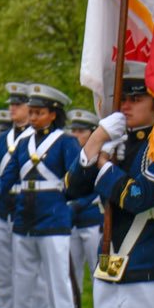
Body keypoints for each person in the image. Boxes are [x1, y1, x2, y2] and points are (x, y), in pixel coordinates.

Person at [67, 61, 154, 308]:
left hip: (151, 274)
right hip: (107, 274)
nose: (125, 105)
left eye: (135, 98)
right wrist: (96, 139)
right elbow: (72, 188)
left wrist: (102, 164)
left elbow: (138, 198)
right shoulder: (114, 144)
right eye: (122, 97)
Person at [1, 83, 81, 308]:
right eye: (32, 112)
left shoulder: (65, 142)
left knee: (58, 285)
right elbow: (7, 180)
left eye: (39, 113)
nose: (34, 117)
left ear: (53, 115)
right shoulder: (24, 144)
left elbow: (76, 180)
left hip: (53, 219)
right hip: (24, 219)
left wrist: (70, 209)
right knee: (22, 285)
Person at [0, 81, 32, 308]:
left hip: (26, 209)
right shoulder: (0, 139)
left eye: (19, 104)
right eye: (12, 105)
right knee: (2, 272)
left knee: (27, 274)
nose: (13, 109)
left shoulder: (37, 138)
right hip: (2, 211)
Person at [67, 108, 103, 297]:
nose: (76, 135)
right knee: (71, 279)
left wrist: (79, 204)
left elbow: (100, 188)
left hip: (92, 219)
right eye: (74, 130)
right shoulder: (71, 154)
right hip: (71, 223)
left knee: (97, 274)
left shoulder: (100, 155)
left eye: (81, 131)